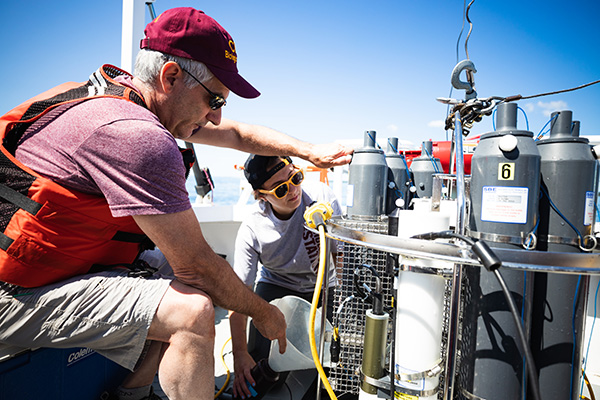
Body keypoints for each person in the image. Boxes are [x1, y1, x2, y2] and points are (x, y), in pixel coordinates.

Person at [0, 7, 352, 400]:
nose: (217, 117)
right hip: (11, 295)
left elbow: (236, 135)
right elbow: (197, 268)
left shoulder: (111, 99)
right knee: (193, 311)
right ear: (170, 77)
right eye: (214, 99)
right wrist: (264, 313)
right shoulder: (136, 136)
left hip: (46, 270)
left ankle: (131, 394)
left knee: (191, 274)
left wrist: (306, 151)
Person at [229, 154, 342, 399]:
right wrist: (240, 354)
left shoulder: (322, 197)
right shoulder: (252, 228)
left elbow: (340, 258)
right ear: (261, 196)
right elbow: (239, 296)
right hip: (276, 283)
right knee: (260, 368)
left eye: (296, 177)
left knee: (327, 362)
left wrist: (337, 301)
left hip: (323, 284)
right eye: (280, 189)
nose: (293, 190)